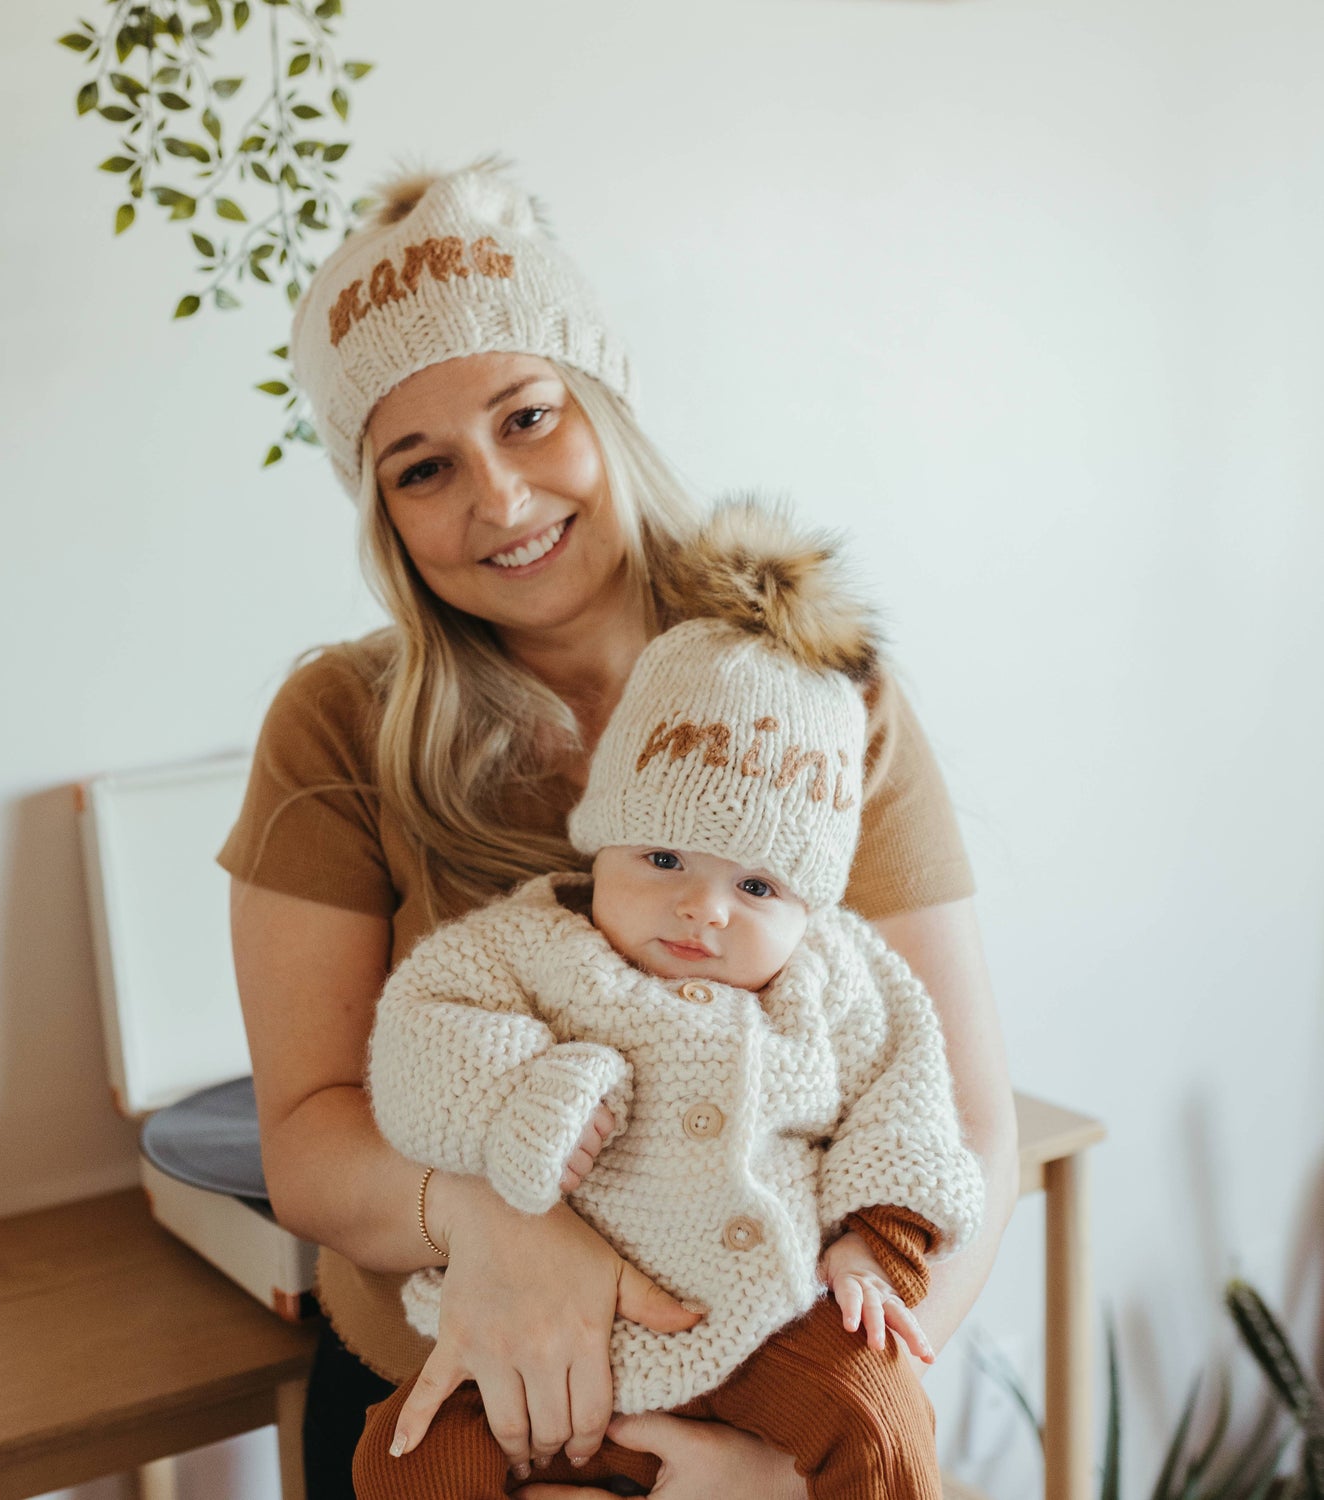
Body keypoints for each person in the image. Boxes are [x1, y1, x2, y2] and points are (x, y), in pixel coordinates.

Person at [219, 157, 1020, 1499]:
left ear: (604, 401)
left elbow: (966, 1124)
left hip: (770, 1381)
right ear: (385, 513)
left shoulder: (811, 689)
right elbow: (305, 1138)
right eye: (424, 468)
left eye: (528, 416)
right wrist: (483, 1219)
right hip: (455, 1396)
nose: (499, 497)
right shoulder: (341, 723)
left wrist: (798, 1451)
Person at [353, 504, 986, 1498]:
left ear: (807, 905)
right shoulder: (530, 945)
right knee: (408, 1456)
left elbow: (911, 1111)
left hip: (773, 1318)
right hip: (543, 1332)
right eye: (662, 857)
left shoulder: (841, 981)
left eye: (759, 887)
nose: (703, 908)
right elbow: (419, 1040)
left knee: (882, 1414)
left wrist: (876, 1248)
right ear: (597, 842)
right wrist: (533, 1094)